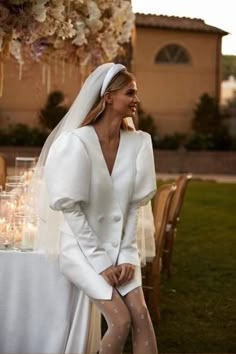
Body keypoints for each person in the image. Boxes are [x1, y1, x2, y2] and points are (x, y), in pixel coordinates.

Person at [35, 63, 158, 354]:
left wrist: (127, 255)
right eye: (130, 93)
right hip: (80, 247)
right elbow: (72, 211)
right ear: (108, 98)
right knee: (120, 320)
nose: (136, 100)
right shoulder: (76, 144)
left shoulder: (139, 143)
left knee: (141, 315)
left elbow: (132, 208)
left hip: (121, 248)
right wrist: (102, 263)